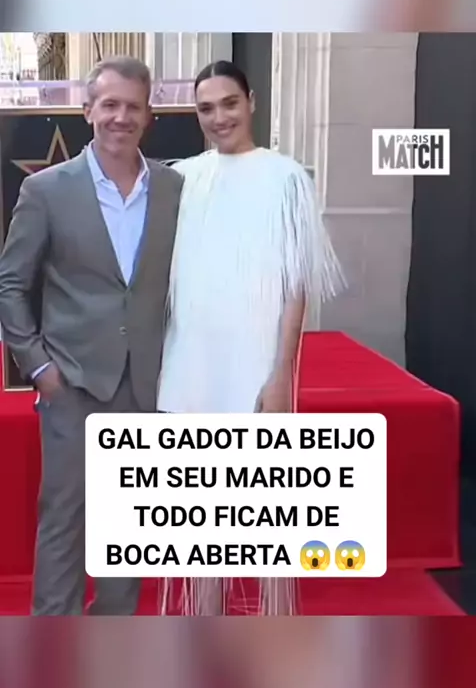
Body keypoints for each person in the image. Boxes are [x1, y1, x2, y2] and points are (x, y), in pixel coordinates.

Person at [157, 60, 346, 616]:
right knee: (198, 513)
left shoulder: (287, 178)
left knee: (262, 510)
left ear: (252, 101)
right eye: (206, 108)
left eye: (229, 103)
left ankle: (269, 628)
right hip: (190, 363)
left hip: (254, 362)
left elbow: (295, 286)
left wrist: (281, 371)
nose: (219, 117)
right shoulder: (181, 178)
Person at [0, 55, 183, 615]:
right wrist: (39, 368)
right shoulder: (47, 190)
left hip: (145, 386)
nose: (121, 117)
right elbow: (11, 284)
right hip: (72, 383)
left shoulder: (174, 188)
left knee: (128, 529)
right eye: (110, 105)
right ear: (87, 110)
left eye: (133, 107)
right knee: (65, 520)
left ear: (149, 115)